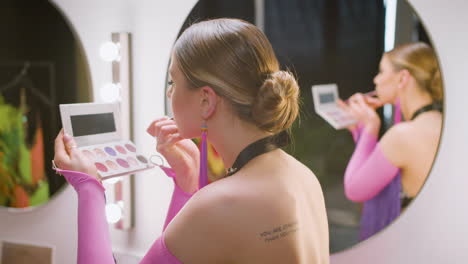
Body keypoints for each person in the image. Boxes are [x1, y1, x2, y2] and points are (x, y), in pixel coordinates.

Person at [53, 18, 329, 264]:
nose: (169, 93)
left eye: (172, 81)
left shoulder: (222, 203)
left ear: (206, 100)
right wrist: (186, 185)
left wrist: (89, 187)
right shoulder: (303, 177)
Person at [338, 42, 443, 240]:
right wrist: (360, 129)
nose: (375, 79)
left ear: (403, 77)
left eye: (381, 71)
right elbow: (375, 169)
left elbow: (354, 189)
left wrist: (370, 127)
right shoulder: (440, 121)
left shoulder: (403, 136)